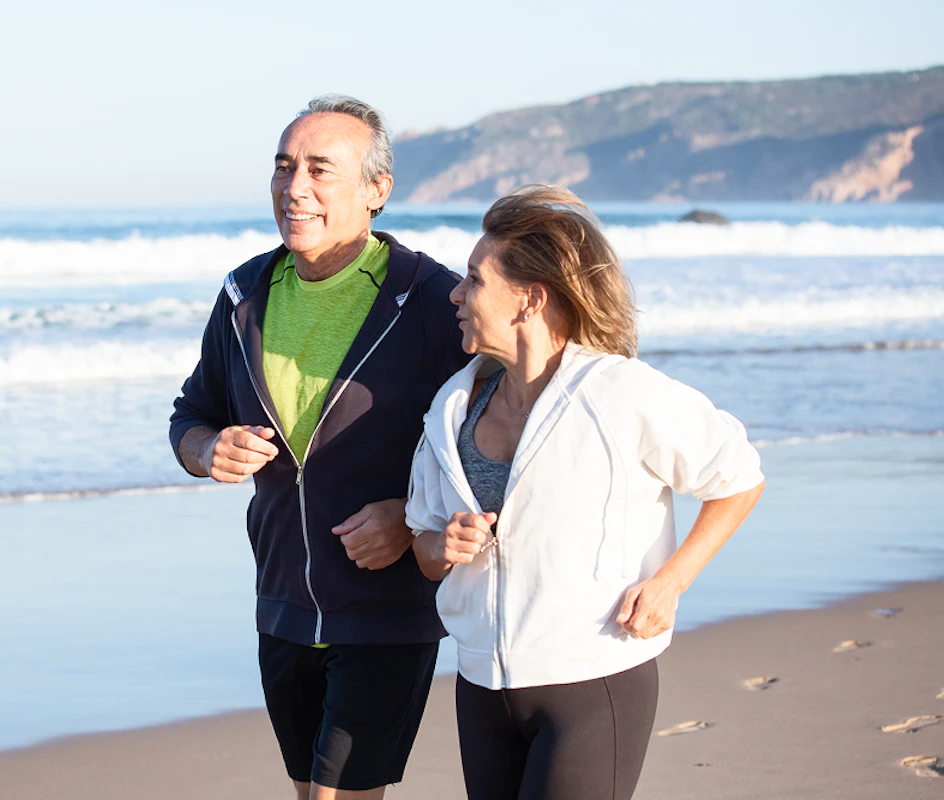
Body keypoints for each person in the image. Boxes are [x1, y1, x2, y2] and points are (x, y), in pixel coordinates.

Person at [406, 185, 765, 800]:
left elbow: (738, 475)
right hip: (481, 686)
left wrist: (671, 582)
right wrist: (444, 544)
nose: (456, 294)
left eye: (474, 279)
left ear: (530, 299)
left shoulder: (619, 393)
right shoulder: (451, 408)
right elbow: (424, 546)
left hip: (593, 679)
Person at [169, 95, 469, 800]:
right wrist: (208, 449)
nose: (294, 187)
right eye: (284, 167)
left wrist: (411, 517)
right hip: (280, 601)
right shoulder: (243, 294)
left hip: (386, 609)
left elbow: (502, 437)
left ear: (376, 190)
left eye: (319, 170)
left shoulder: (433, 299)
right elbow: (191, 415)